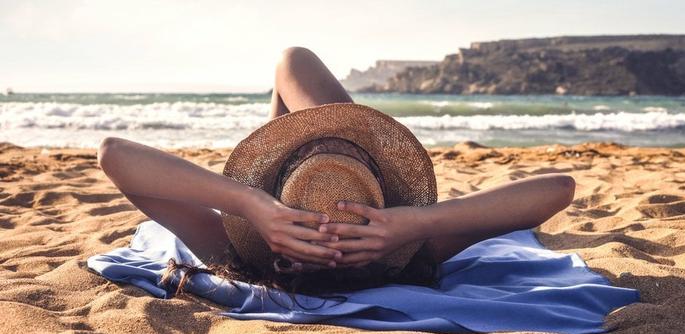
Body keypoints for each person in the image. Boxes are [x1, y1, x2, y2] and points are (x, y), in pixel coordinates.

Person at [98, 47, 575, 294]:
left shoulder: (245, 250)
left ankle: (292, 152)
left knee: (290, 63)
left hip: (277, 216)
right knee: (294, 67)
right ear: (383, 202)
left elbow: (113, 154)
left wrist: (249, 203)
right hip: (370, 228)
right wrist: (417, 222)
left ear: (282, 255)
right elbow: (559, 189)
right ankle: (306, 149)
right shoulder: (407, 251)